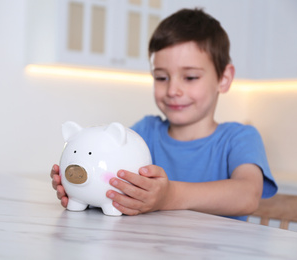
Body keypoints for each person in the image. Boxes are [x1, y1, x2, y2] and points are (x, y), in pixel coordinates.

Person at [50, 8, 277, 221]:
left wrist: (169, 196)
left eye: (190, 77)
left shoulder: (240, 138)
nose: (172, 91)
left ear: (224, 78)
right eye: (161, 77)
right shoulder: (145, 131)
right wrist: (86, 191)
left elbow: (247, 196)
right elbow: (110, 180)